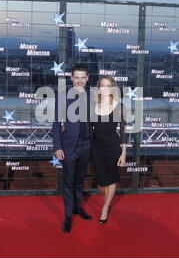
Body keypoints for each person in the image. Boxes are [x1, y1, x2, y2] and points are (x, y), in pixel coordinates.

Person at [52, 65, 93, 233]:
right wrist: (57, 147)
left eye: (83, 77)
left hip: (86, 145)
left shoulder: (92, 95)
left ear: (88, 78)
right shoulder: (62, 97)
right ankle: (68, 216)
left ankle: (78, 207)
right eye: (77, 77)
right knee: (68, 182)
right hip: (69, 146)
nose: (80, 80)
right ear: (71, 78)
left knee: (80, 180)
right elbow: (55, 124)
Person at [90, 76, 127, 224]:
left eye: (108, 85)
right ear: (98, 88)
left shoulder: (119, 106)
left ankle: (105, 207)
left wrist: (124, 152)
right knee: (101, 182)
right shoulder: (92, 105)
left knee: (111, 178)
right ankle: (108, 197)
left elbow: (124, 131)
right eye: (102, 85)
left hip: (112, 147)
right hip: (96, 147)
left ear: (113, 88)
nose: (105, 88)